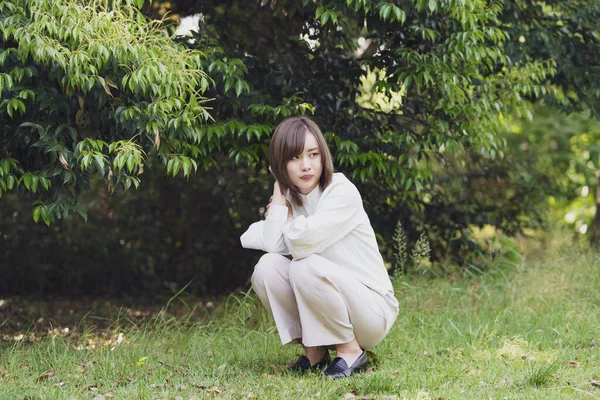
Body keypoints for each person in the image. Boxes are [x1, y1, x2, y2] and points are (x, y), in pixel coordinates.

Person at [240, 116, 398, 379]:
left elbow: (303, 242)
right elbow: (268, 242)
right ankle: (314, 352)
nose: (306, 166)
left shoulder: (341, 191)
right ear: (280, 165)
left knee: (305, 265)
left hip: (371, 310)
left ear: (323, 156)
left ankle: (350, 352)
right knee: (267, 267)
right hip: (335, 302)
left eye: (313, 155)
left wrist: (286, 219)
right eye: (294, 158)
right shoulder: (291, 197)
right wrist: (280, 191)